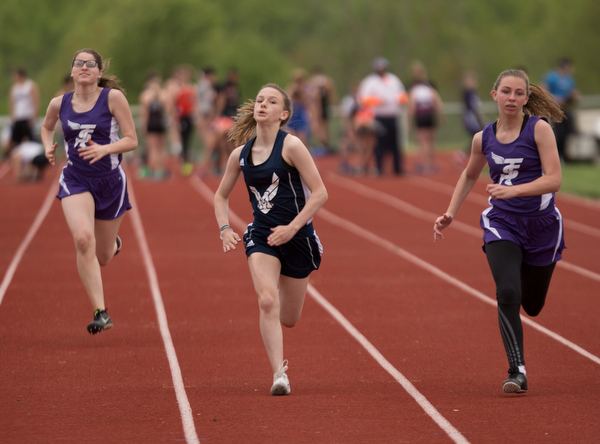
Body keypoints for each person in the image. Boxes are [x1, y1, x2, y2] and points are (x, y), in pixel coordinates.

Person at [433, 69, 566, 394]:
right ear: (494, 95)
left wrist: (515, 191)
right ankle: (516, 369)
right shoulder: (484, 138)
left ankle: (521, 271)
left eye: (518, 93)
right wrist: (450, 212)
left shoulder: (539, 129)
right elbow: (468, 175)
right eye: (506, 91)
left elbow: (554, 179)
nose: (512, 98)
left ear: (526, 98)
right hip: (502, 223)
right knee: (507, 293)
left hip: (543, 225)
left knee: (532, 305)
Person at [214, 83, 328, 395]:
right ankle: (279, 374)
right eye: (260, 99)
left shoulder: (291, 147)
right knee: (266, 300)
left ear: (284, 114)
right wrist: (225, 228)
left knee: (289, 318)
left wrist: (292, 228)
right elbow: (220, 196)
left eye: (271, 101)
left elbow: (320, 194)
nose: (263, 104)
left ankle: (278, 305)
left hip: (297, 236)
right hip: (262, 236)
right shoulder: (240, 155)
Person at [40, 48, 138, 334]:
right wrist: (48, 145)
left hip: (110, 181)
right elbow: (46, 128)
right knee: (84, 240)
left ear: (98, 72)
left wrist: (106, 148)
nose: (84, 67)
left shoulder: (113, 98)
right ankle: (101, 312)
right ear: (72, 71)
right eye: (78, 63)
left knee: (103, 256)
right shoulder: (59, 104)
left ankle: (114, 244)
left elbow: (132, 139)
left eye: (90, 64)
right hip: (75, 179)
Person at [357, 57, 408, 176]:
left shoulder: (394, 80)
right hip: (379, 116)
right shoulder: (369, 81)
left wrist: (397, 99)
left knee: (395, 143)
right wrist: (379, 101)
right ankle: (379, 168)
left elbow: (403, 95)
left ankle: (397, 168)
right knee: (379, 144)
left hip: (393, 116)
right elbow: (363, 99)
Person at [407, 61, 444, 174]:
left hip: (421, 115)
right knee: (431, 141)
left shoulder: (413, 88)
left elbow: (411, 106)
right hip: (430, 114)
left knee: (423, 142)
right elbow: (438, 102)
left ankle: (426, 165)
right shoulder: (430, 87)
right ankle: (432, 163)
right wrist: (440, 117)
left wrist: (409, 122)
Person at [543, 57, 580, 163]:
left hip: (566, 109)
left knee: (569, 132)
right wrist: (556, 99)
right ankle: (556, 156)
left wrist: (574, 96)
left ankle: (566, 156)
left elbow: (572, 91)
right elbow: (543, 91)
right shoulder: (552, 77)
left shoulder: (569, 79)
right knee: (558, 133)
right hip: (555, 109)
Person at [139, 72, 170, 179]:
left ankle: (154, 170)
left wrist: (144, 126)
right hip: (161, 122)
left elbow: (145, 112)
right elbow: (167, 109)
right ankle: (160, 169)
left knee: (152, 148)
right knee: (160, 148)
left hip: (151, 123)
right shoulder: (163, 94)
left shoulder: (146, 94)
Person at [6, 68, 40, 156]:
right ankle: (10, 159)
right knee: (14, 141)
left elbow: (36, 102)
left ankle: (37, 157)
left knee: (31, 140)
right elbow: (12, 104)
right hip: (18, 118)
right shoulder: (14, 88)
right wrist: (12, 117)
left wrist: (34, 117)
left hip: (27, 117)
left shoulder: (30, 85)